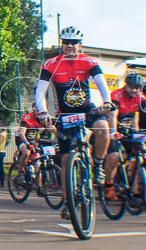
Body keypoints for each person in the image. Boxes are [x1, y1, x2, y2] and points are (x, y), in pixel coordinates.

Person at [34, 26, 114, 217]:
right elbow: (40, 91)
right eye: (65, 42)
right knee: (65, 159)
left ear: (80, 45)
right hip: (65, 114)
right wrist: (44, 112)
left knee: (103, 127)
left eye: (73, 43)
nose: (69, 46)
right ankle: (68, 201)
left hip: (85, 108)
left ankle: (97, 163)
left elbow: (101, 82)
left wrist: (107, 101)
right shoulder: (51, 63)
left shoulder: (89, 61)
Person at [104, 71, 146, 189]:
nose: (134, 90)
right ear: (125, 85)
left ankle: (136, 190)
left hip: (127, 131)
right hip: (113, 128)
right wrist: (112, 131)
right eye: (132, 87)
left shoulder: (140, 97)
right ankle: (109, 185)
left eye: (137, 88)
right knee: (114, 157)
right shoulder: (117, 95)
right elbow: (113, 114)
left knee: (142, 153)